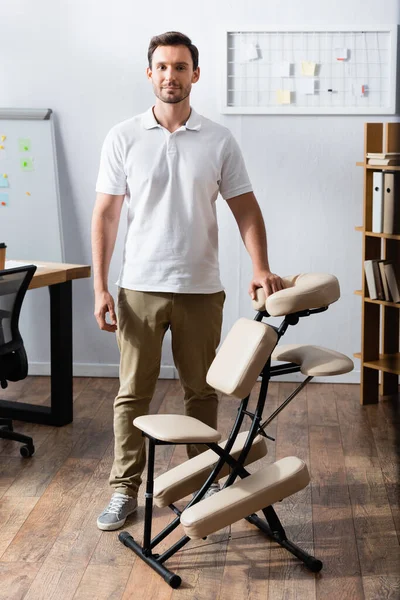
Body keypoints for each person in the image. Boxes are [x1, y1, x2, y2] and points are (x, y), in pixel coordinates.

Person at [92, 31, 283, 531]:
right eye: (162, 67)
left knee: (201, 391)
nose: (170, 76)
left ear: (195, 74)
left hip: (201, 288)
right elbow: (106, 217)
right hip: (139, 288)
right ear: (149, 73)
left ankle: (205, 485)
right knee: (132, 394)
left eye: (180, 67)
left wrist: (261, 267)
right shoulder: (123, 136)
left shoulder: (219, 139)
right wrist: (100, 286)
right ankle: (123, 491)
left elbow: (246, 210)